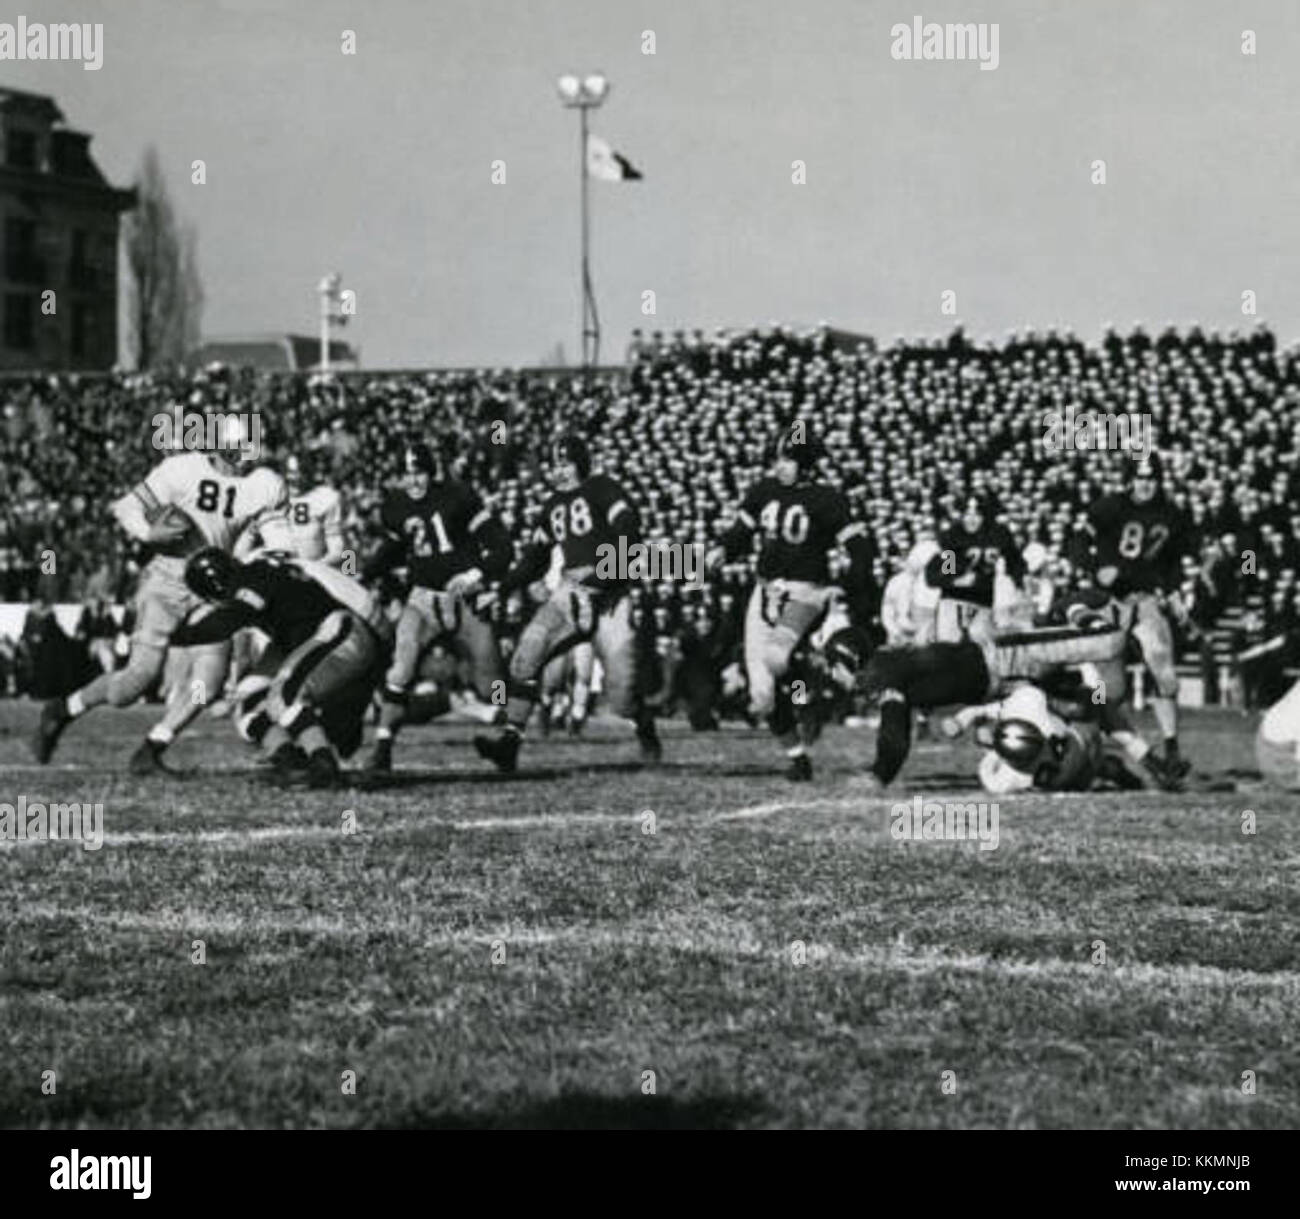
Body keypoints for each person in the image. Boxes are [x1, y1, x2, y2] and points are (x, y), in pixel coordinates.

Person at [473, 432, 661, 772]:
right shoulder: (551, 506)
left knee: (620, 694)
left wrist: (607, 569)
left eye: (565, 464)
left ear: (581, 464)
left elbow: (629, 527)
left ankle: (642, 721)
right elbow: (534, 559)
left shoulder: (602, 487)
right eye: (554, 465)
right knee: (526, 653)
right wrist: (502, 589)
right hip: (570, 593)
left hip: (610, 597)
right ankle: (509, 743)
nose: (559, 472)